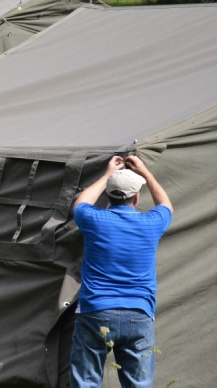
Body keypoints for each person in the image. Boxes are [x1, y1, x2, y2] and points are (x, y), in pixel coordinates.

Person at [70, 155, 173, 388]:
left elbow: (81, 202)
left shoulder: (93, 219)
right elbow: (166, 205)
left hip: (95, 310)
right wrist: (146, 173)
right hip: (139, 312)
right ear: (136, 198)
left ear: (107, 196)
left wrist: (107, 175)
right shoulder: (152, 223)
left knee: (85, 383)